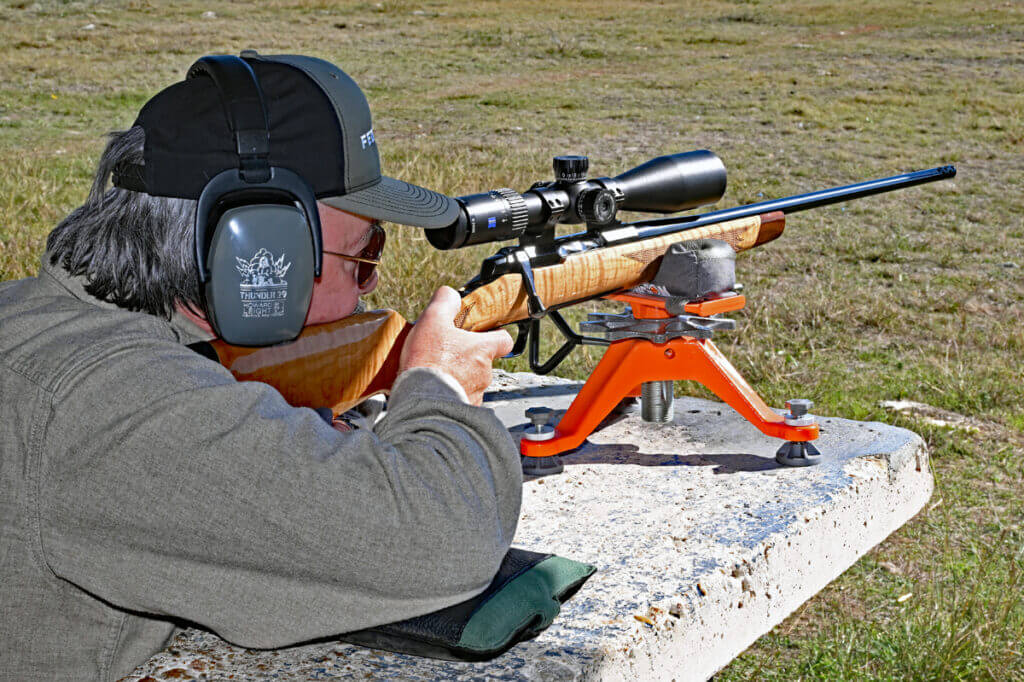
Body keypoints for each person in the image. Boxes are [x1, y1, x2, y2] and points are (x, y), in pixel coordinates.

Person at [0, 52, 520, 681]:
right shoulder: (118, 405)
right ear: (258, 246)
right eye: (365, 253)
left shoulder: (38, 323)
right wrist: (438, 385)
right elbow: (441, 539)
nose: (367, 290)